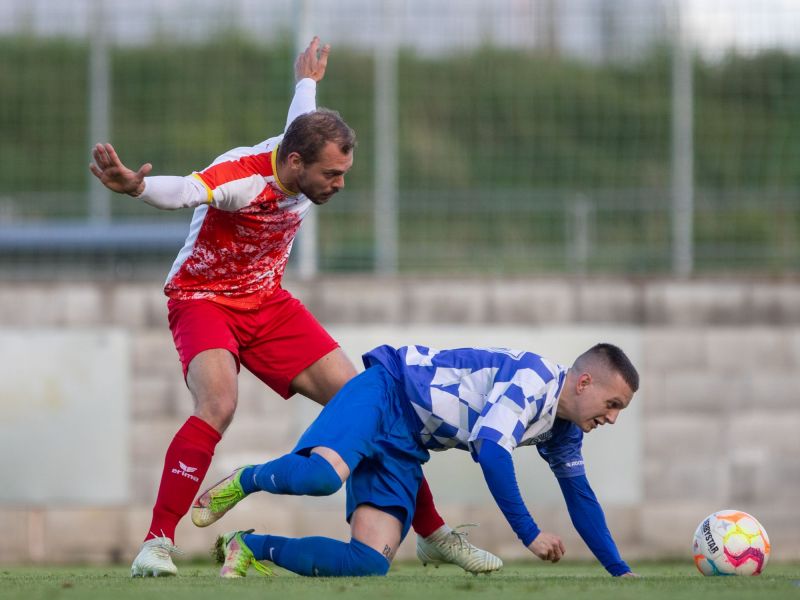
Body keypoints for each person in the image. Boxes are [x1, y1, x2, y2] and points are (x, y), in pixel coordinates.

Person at [89, 37, 501, 577]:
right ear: (296, 161)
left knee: (369, 407)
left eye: (344, 173)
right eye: (332, 175)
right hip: (203, 300)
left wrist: (307, 79)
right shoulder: (244, 178)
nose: (339, 184)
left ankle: (433, 533)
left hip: (268, 303)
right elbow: (186, 190)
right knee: (218, 404)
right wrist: (137, 187)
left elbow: (300, 112)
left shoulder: (301, 148)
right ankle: (156, 543)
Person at [197, 342, 642, 578]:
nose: (614, 418)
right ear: (584, 382)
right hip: (385, 391)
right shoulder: (536, 378)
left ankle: (247, 546)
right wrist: (528, 533)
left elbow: (580, 496)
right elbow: (491, 452)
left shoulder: (563, 431)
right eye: (613, 403)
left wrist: (619, 572)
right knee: (321, 477)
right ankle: (248, 478)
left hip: (406, 442)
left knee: (367, 564)